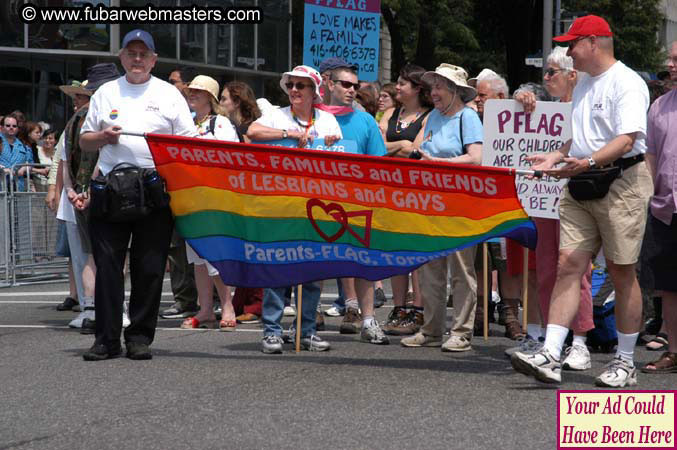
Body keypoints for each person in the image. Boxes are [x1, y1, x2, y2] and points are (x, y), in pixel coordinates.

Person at [511, 15, 653, 387]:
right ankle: (551, 353)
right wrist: (555, 158)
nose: (569, 51)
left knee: (623, 272)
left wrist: (585, 162)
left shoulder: (628, 83)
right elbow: (579, 138)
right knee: (567, 264)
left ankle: (625, 361)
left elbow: (626, 140)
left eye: (573, 44)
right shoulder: (586, 83)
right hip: (581, 182)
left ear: (593, 42)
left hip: (622, 181)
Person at [79, 29, 196, 361]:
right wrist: (102, 136)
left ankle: (140, 336)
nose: (138, 59)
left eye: (144, 54)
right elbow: (84, 140)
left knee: (149, 267)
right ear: (122, 57)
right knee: (107, 265)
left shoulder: (169, 94)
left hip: (153, 189)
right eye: (131, 53)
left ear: (154, 59)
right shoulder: (105, 92)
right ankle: (106, 339)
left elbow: (186, 143)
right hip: (111, 188)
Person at [508, 47, 595, 370]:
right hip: (545, 199)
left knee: (576, 270)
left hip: (579, 196)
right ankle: (551, 340)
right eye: (545, 72)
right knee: (545, 269)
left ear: (572, 75)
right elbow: (519, 101)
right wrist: (521, 95)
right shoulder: (545, 109)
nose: (545, 79)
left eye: (552, 72)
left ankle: (581, 342)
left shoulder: (585, 106)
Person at [248, 64, 341, 353]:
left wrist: (331, 145)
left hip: (316, 205)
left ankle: (306, 329)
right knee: (278, 268)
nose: (295, 91)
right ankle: (272, 331)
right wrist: (288, 133)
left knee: (312, 273)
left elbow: (338, 161)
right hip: (281, 203)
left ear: (315, 92)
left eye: (302, 86)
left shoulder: (326, 120)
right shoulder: (277, 115)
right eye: (291, 85)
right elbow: (253, 131)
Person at [399, 64, 482, 352]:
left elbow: (476, 158)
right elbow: (419, 147)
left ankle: (461, 331)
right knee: (430, 267)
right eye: (431, 86)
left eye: (438, 87)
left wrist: (438, 163)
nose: (432, 92)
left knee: (461, 269)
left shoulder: (468, 117)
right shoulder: (434, 116)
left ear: (455, 91)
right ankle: (432, 329)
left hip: (460, 201)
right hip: (431, 200)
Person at [325, 61, 389, 345]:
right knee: (313, 260)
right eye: (345, 84)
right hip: (317, 203)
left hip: (356, 203)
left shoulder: (365, 122)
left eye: (355, 85)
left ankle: (368, 319)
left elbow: (379, 165)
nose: (352, 90)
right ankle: (307, 319)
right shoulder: (313, 117)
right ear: (329, 84)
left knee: (361, 262)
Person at [179, 74, 239, 331]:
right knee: (197, 258)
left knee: (215, 254)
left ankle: (227, 306)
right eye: (191, 91)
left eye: (198, 92)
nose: (192, 94)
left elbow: (232, 159)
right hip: (190, 198)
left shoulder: (221, 124)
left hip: (215, 198)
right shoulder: (185, 123)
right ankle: (205, 309)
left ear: (210, 98)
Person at [379, 64, 432, 336]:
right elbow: (376, 148)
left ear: (417, 88)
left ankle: (419, 308)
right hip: (388, 189)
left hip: (417, 191)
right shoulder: (390, 113)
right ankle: (398, 306)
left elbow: (418, 150)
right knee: (395, 250)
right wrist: (400, 147)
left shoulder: (429, 116)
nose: (397, 87)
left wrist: (398, 147)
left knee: (416, 250)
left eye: (402, 83)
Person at [641, 40, 677, 374]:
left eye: (676, 59)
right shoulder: (659, 107)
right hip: (666, 207)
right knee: (667, 283)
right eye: (670, 58)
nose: (670, 63)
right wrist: (649, 197)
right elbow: (651, 154)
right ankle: (673, 351)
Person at [159, 65, 200, 320]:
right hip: (171, 191)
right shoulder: (169, 109)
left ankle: (212, 300)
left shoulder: (203, 117)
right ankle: (183, 299)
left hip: (197, 192)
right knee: (175, 249)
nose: (170, 84)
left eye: (174, 80)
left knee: (201, 247)